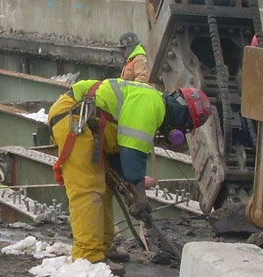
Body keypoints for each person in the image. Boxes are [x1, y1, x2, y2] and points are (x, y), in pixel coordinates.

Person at [48, 79, 212, 264]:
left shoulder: (153, 102)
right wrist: (139, 193)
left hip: (91, 124)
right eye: (186, 128)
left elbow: (121, 150)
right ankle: (88, 256)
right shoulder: (151, 106)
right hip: (76, 119)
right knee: (88, 189)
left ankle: (103, 246)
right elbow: (133, 154)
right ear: (183, 119)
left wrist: (128, 188)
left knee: (105, 187)